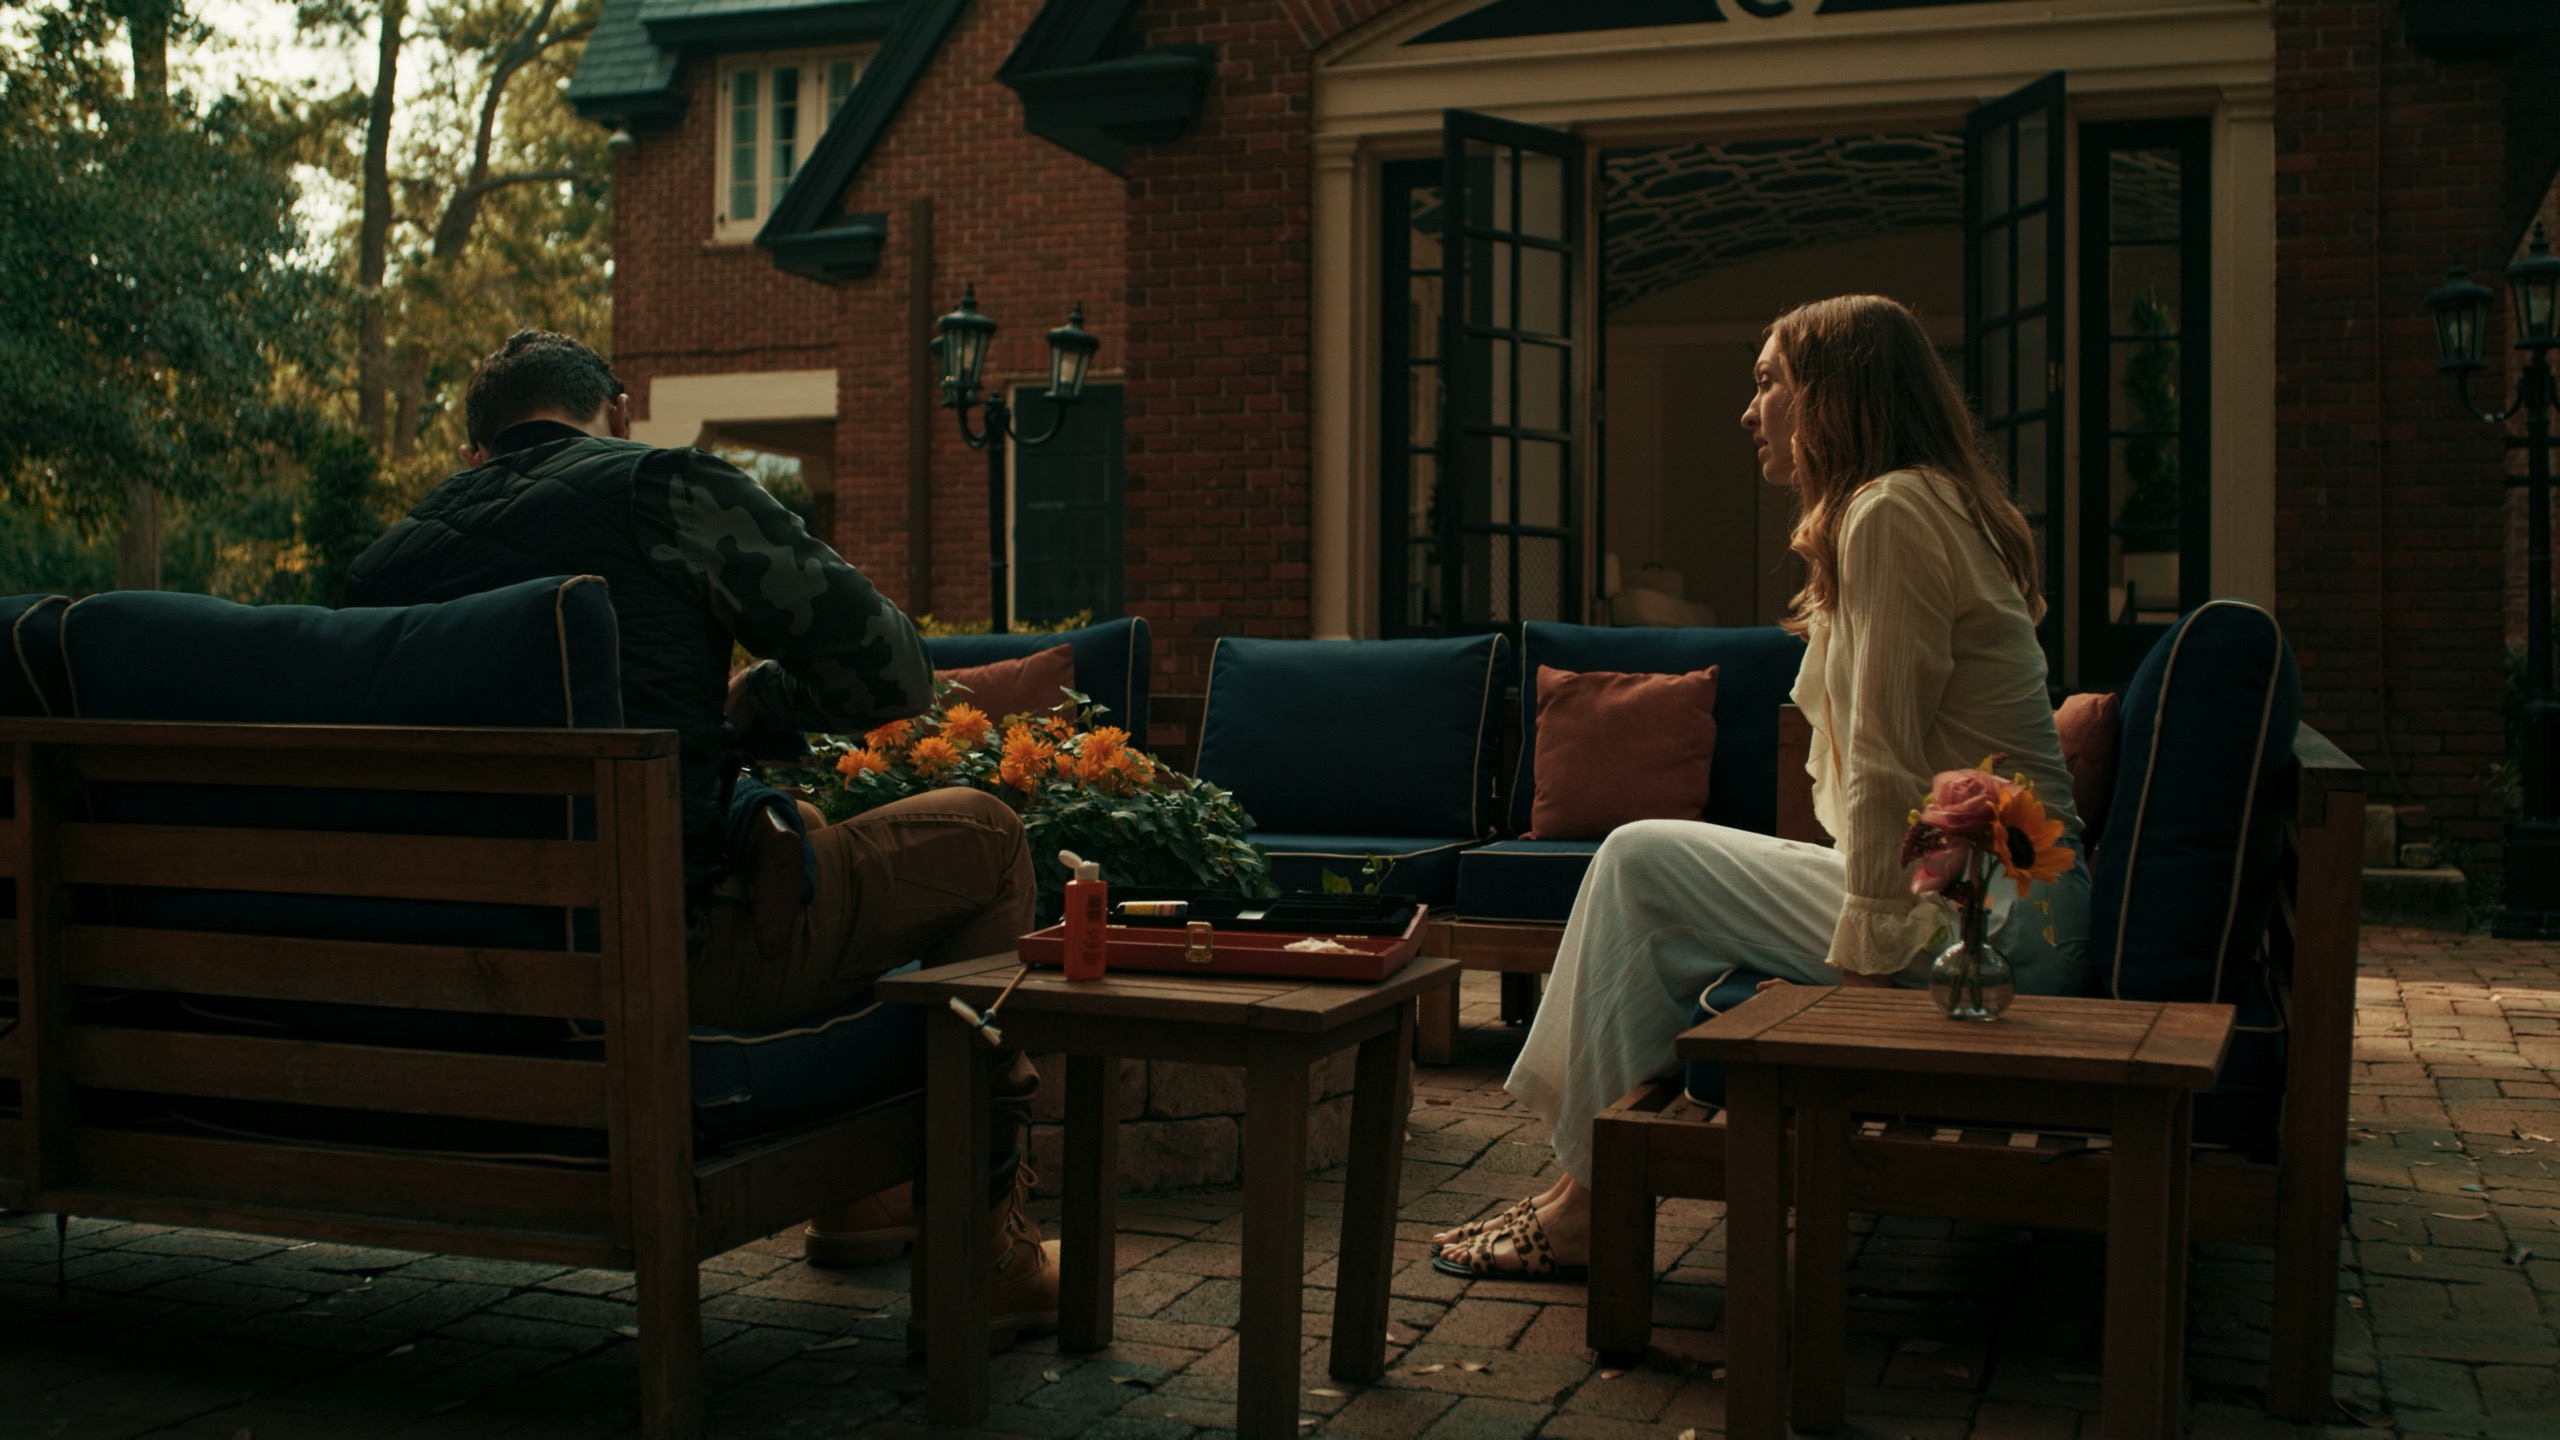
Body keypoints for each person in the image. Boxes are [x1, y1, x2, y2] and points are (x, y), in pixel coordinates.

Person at [344, 329, 1054, 1343]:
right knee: (982, 837)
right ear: (619, 414)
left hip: (456, 984)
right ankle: (985, 1252)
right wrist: (758, 695)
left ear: (476, 452)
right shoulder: (662, 488)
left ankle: (865, 1202)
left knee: (796, 827)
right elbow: (888, 674)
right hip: (659, 973)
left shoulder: (383, 565)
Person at [1432, 295, 2095, 1280]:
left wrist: (1863, 976)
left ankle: (1585, 1196)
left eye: (1767, 381)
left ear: (1829, 395)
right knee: (1645, 876)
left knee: (1639, 859)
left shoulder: (1890, 513)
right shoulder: (1923, 504)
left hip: (1986, 926)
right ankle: (1583, 1189)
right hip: (1989, 898)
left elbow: (1881, 761)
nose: (1749, 412)